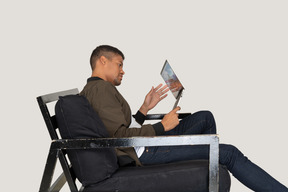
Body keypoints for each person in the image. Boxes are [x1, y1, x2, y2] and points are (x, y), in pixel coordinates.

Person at [80, 45, 288, 191]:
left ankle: (202, 169)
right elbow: (118, 136)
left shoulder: (100, 89)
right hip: (144, 152)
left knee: (205, 117)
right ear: (103, 60)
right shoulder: (100, 90)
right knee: (229, 154)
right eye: (119, 64)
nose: (123, 70)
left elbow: (120, 127)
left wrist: (144, 109)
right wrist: (162, 126)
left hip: (142, 144)